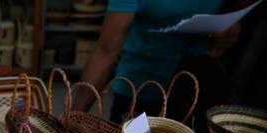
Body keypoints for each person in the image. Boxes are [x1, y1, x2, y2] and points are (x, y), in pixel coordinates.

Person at [72, 0, 249, 124]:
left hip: (194, 95)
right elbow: (106, 51)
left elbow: (238, 9)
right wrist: (73, 118)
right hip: (140, 93)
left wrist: (233, 25)